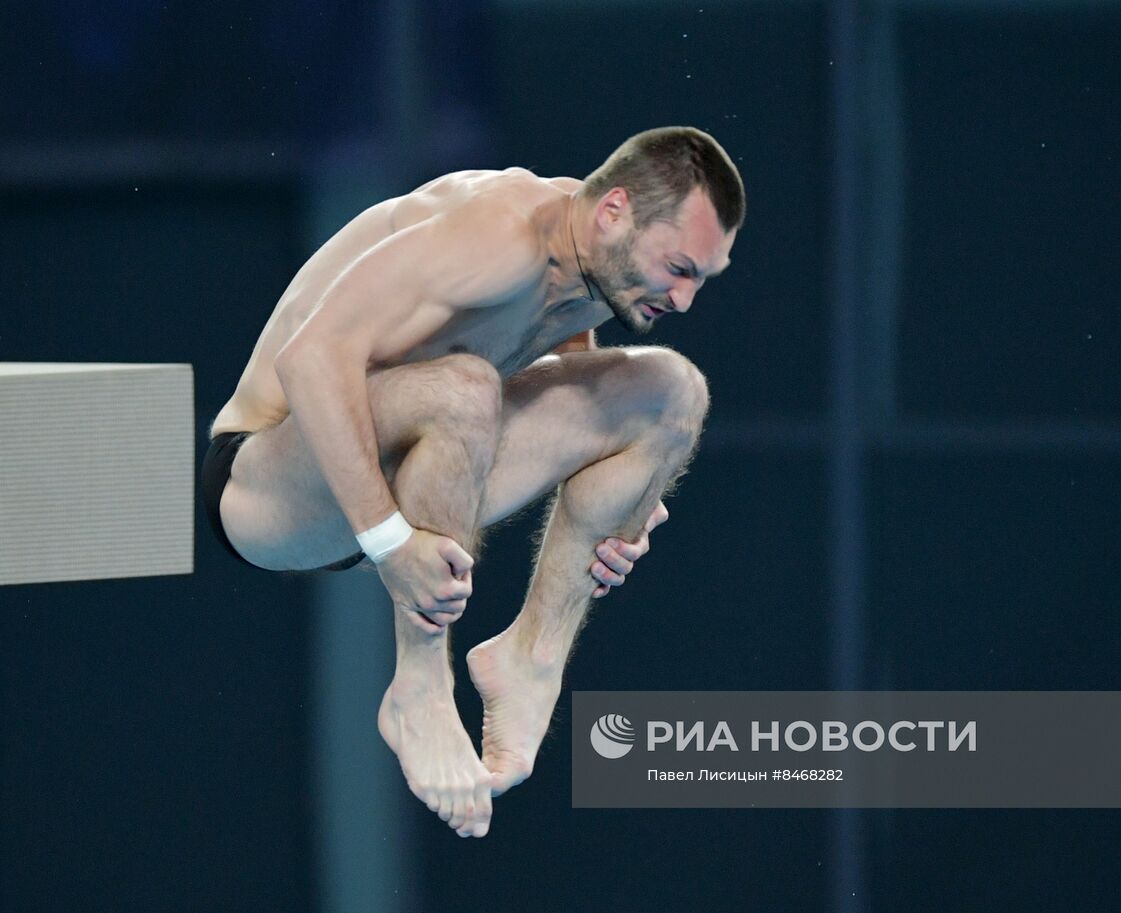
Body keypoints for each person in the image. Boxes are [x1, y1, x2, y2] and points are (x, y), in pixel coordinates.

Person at [201, 126, 743, 838]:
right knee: (462, 389)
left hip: (404, 487)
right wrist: (390, 542)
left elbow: (566, 372)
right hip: (269, 485)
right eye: (679, 268)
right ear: (613, 211)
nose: (686, 297)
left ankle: (531, 657)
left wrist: (627, 503)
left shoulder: (598, 268)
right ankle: (420, 687)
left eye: (702, 276)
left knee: (673, 392)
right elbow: (311, 360)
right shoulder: (497, 236)